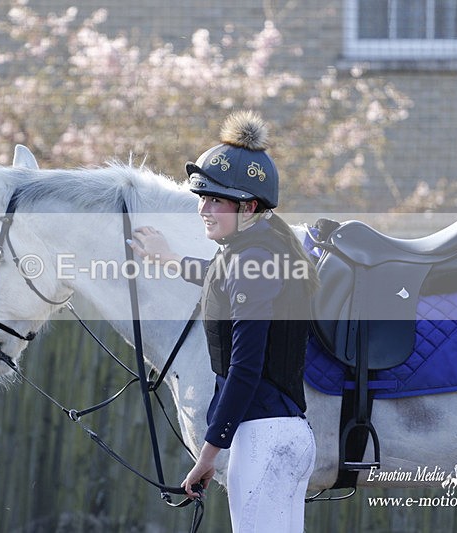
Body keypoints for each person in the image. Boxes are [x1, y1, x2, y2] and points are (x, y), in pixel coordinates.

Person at [129, 111, 319, 532]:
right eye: (203, 198)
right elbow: (222, 278)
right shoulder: (263, 250)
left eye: (216, 200)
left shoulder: (252, 259)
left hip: (263, 442)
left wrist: (208, 455)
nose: (203, 208)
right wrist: (171, 259)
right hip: (288, 437)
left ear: (248, 207)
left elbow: (245, 369)